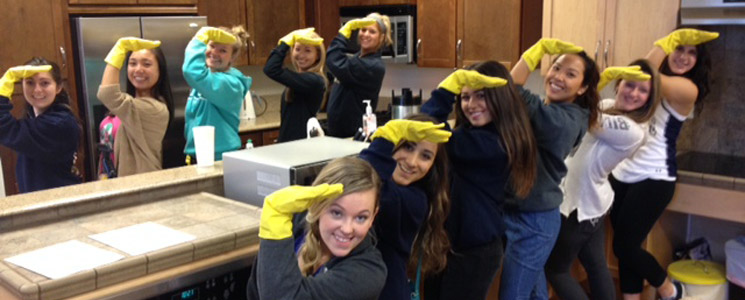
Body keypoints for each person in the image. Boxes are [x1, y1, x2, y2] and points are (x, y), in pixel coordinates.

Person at [609, 28, 718, 300]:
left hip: (654, 177)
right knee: (628, 246)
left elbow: (642, 75)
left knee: (624, 246)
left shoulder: (686, 89)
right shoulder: (657, 80)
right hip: (622, 173)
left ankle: (670, 290)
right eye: (678, 48)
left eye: (691, 53)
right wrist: (668, 41)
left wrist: (665, 43)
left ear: (698, 61)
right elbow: (639, 78)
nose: (683, 56)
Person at [545, 60, 661, 300]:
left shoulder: (631, 129)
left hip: (580, 206)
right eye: (630, 85)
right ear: (619, 85)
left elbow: (584, 114)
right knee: (597, 266)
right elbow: (588, 109)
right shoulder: (608, 106)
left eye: (643, 91)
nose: (634, 93)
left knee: (556, 270)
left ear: (649, 99)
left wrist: (596, 81)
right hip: (594, 202)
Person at [421, 61, 538, 300]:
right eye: (464, 97)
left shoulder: (495, 144)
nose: (471, 105)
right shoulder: (472, 135)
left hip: (474, 252)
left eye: (481, 96)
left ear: (501, 98)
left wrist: (445, 90)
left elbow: (425, 126)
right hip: (449, 244)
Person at [500, 38, 600, 300]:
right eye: (555, 68)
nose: (558, 77)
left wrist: (530, 56)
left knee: (513, 295)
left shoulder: (561, 121)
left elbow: (508, 90)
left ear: (583, 87)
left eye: (570, 74)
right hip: (527, 212)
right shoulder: (556, 110)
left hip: (533, 222)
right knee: (534, 293)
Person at [246, 156, 387, 300]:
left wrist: (275, 224)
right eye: (337, 213)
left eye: (361, 217)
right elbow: (256, 290)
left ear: (373, 216)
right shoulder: (294, 223)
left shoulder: (368, 274)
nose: (347, 229)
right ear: (317, 206)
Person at [358, 115, 451, 300]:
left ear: (433, 165)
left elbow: (362, 184)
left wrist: (383, 140)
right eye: (408, 146)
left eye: (425, 156)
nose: (412, 161)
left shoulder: (415, 202)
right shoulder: (385, 179)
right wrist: (444, 95)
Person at [0, 58, 81, 193]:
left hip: (60, 204)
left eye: (44, 83)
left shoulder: (60, 123)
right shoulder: (32, 119)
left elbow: (4, 127)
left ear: (58, 87)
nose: (37, 90)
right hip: (44, 203)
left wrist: (1, 94)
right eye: (30, 83)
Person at [97, 37, 173, 176]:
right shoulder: (128, 104)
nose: (138, 69)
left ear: (160, 70)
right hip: (117, 185)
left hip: (142, 187)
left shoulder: (155, 108)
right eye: (133, 63)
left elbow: (107, 94)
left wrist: (119, 48)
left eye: (146, 64)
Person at [182, 26, 252, 162]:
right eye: (212, 46)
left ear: (232, 58)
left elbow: (191, 71)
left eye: (223, 51)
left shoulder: (231, 84)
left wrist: (198, 39)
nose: (214, 52)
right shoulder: (206, 78)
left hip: (219, 158)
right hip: (197, 156)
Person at [325, 13, 391, 138]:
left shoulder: (372, 65)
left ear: (382, 38)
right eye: (363, 29)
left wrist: (343, 35)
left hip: (353, 136)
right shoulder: (357, 58)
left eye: (372, 32)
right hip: (338, 133)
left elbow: (334, 60)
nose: (366, 34)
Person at [264, 27, 326, 142]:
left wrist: (284, 44)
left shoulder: (314, 80)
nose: (301, 55)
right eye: (297, 49)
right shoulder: (299, 79)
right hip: (289, 145)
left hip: (301, 147)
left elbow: (271, 69)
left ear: (317, 55)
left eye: (307, 50)